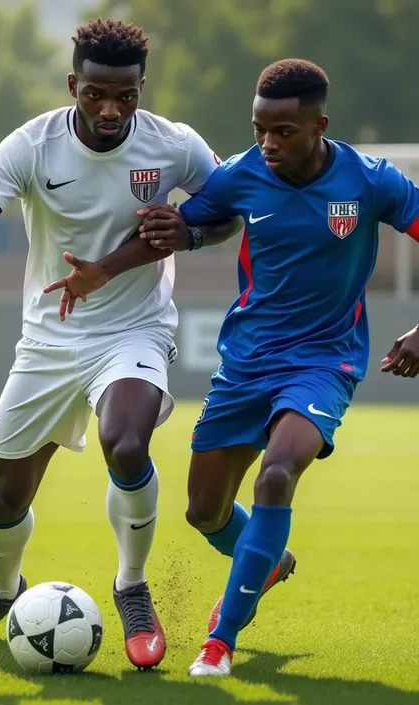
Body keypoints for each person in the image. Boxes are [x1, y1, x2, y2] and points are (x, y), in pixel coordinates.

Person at [0, 17, 257, 670]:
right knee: (6, 497)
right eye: (95, 94)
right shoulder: (32, 146)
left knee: (127, 440)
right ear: (72, 86)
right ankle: (3, 590)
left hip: (134, 328)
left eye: (125, 95)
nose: (110, 109)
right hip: (48, 338)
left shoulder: (174, 145)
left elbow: (229, 209)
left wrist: (193, 234)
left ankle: (132, 585)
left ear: (142, 88)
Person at [134, 58, 419, 676]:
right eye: (260, 128)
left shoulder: (371, 182)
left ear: (321, 125)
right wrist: (171, 231)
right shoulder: (241, 174)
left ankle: (220, 642)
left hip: (324, 361)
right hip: (246, 365)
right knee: (204, 512)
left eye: (283, 132)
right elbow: (194, 223)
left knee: (276, 474)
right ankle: (270, 563)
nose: (268, 143)